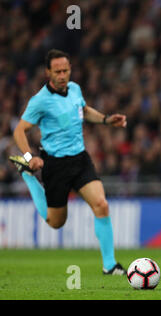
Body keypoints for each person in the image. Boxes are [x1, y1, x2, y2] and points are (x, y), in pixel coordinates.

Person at [9, 49, 128, 275]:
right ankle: (27, 175)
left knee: (101, 205)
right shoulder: (40, 101)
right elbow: (19, 131)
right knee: (56, 223)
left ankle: (110, 265)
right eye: (58, 71)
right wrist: (29, 158)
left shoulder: (75, 89)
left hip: (80, 159)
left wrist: (105, 119)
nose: (63, 75)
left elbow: (83, 110)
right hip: (55, 165)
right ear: (48, 73)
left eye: (66, 70)